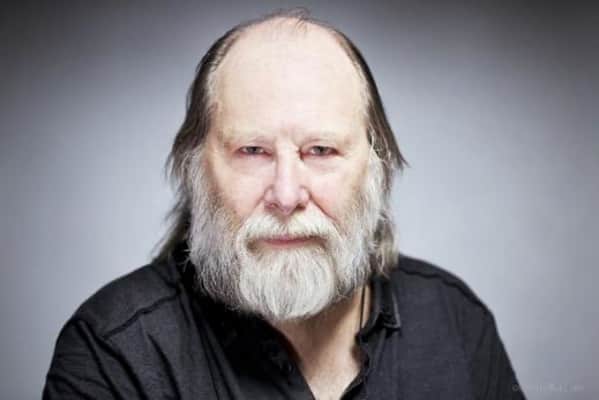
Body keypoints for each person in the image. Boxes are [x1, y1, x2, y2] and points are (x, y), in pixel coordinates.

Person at [44, 9, 526, 400]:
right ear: (196, 169)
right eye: (252, 150)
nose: (287, 195)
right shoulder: (115, 351)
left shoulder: (455, 320)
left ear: (375, 167)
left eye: (321, 151)